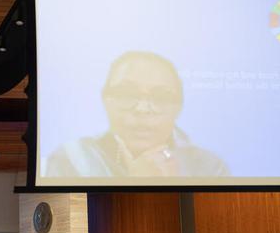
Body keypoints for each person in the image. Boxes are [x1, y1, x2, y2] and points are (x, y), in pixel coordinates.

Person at [44, 51, 230, 178]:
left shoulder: (209, 166)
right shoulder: (72, 157)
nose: (142, 109)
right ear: (106, 99)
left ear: (178, 106)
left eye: (160, 97)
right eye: (127, 94)